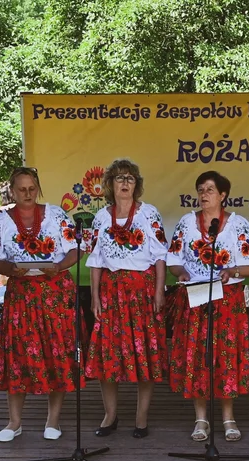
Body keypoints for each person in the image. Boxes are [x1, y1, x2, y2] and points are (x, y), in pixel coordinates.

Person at [167, 171, 249, 442]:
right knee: (198, 356)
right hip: (196, 296)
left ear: (223, 195)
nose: (204, 194)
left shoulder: (238, 224)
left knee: (226, 357)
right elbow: (173, 258)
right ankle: (201, 419)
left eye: (210, 189)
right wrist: (180, 273)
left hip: (227, 299)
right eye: (200, 189)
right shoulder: (187, 222)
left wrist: (232, 270)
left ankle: (228, 418)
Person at [0, 167, 81, 442]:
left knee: (57, 352)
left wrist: (59, 266)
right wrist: (10, 270)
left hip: (55, 292)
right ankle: (14, 422)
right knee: (17, 356)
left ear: (37, 188)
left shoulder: (56, 215)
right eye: (21, 189)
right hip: (20, 295)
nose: (27, 194)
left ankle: (53, 420)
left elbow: (75, 250)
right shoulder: (0, 221)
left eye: (31, 188)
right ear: (12, 191)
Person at [84, 158, 169, 439]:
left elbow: (159, 256)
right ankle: (110, 415)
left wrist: (159, 291)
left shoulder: (149, 214)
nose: (124, 183)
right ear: (109, 184)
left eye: (130, 178)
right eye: (119, 178)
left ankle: (141, 417)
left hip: (142, 292)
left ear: (137, 185)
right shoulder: (100, 217)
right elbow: (95, 260)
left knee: (143, 354)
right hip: (111, 293)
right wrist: (94, 297)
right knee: (108, 356)